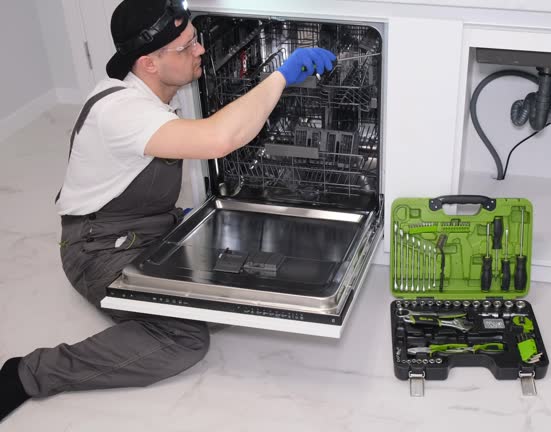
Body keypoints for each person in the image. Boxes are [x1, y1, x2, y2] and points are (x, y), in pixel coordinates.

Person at [0, 0, 336, 421]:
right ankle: (28, 374)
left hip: (154, 229)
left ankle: (166, 297)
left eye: (195, 39)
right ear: (149, 63)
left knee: (247, 281)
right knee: (184, 340)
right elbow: (218, 139)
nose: (199, 51)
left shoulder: (151, 94)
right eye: (185, 47)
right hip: (100, 250)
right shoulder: (121, 111)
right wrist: (280, 76)